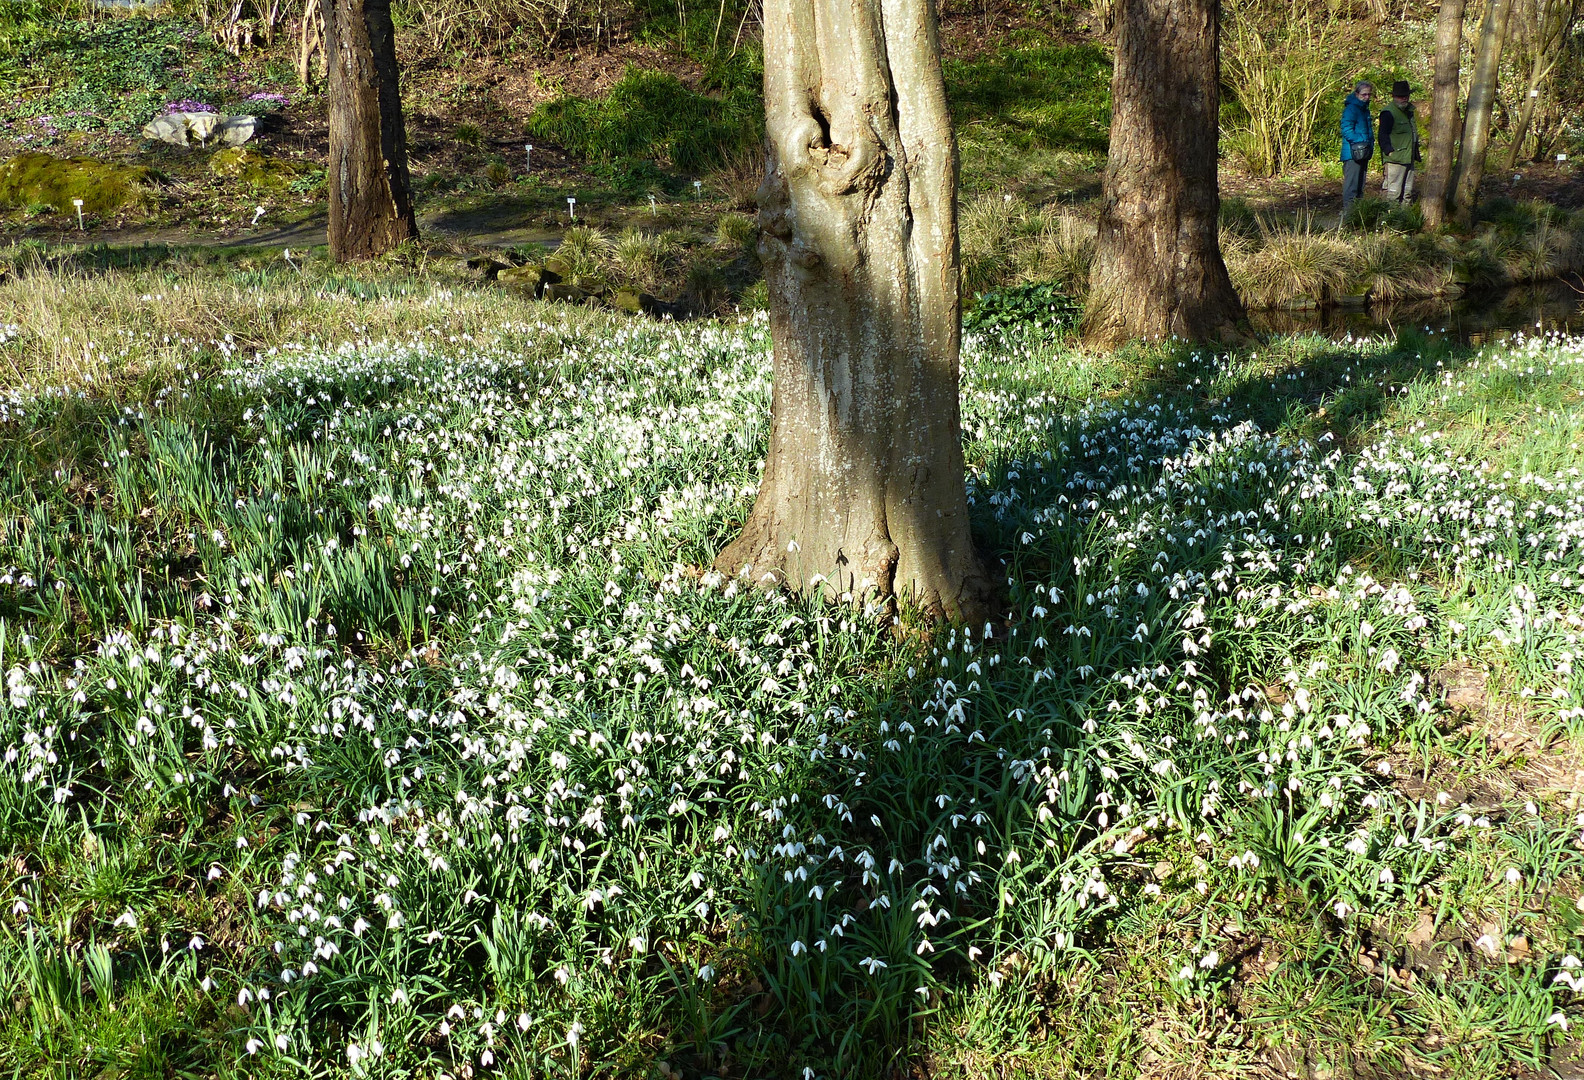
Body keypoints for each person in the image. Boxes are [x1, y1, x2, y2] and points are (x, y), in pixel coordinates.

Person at [1378, 80, 1420, 204]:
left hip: (1409, 157)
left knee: (1407, 193)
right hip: (1395, 159)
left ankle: (1404, 220)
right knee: (1393, 193)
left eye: (1406, 96)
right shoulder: (1388, 112)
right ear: (1394, 97)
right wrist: (1389, 151)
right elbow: (1382, 134)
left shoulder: (1409, 112)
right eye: (1401, 96)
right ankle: (1389, 220)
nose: (1404, 99)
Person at [1340, 81, 1374, 222]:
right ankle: (1348, 218)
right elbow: (1346, 129)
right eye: (1364, 94)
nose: (1366, 97)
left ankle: (1357, 218)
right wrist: (1359, 142)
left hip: (1363, 152)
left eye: (1369, 94)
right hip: (1353, 153)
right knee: (1351, 188)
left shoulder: (1364, 109)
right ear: (1357, 94)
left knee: (1360, 188)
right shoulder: (1352, 109)